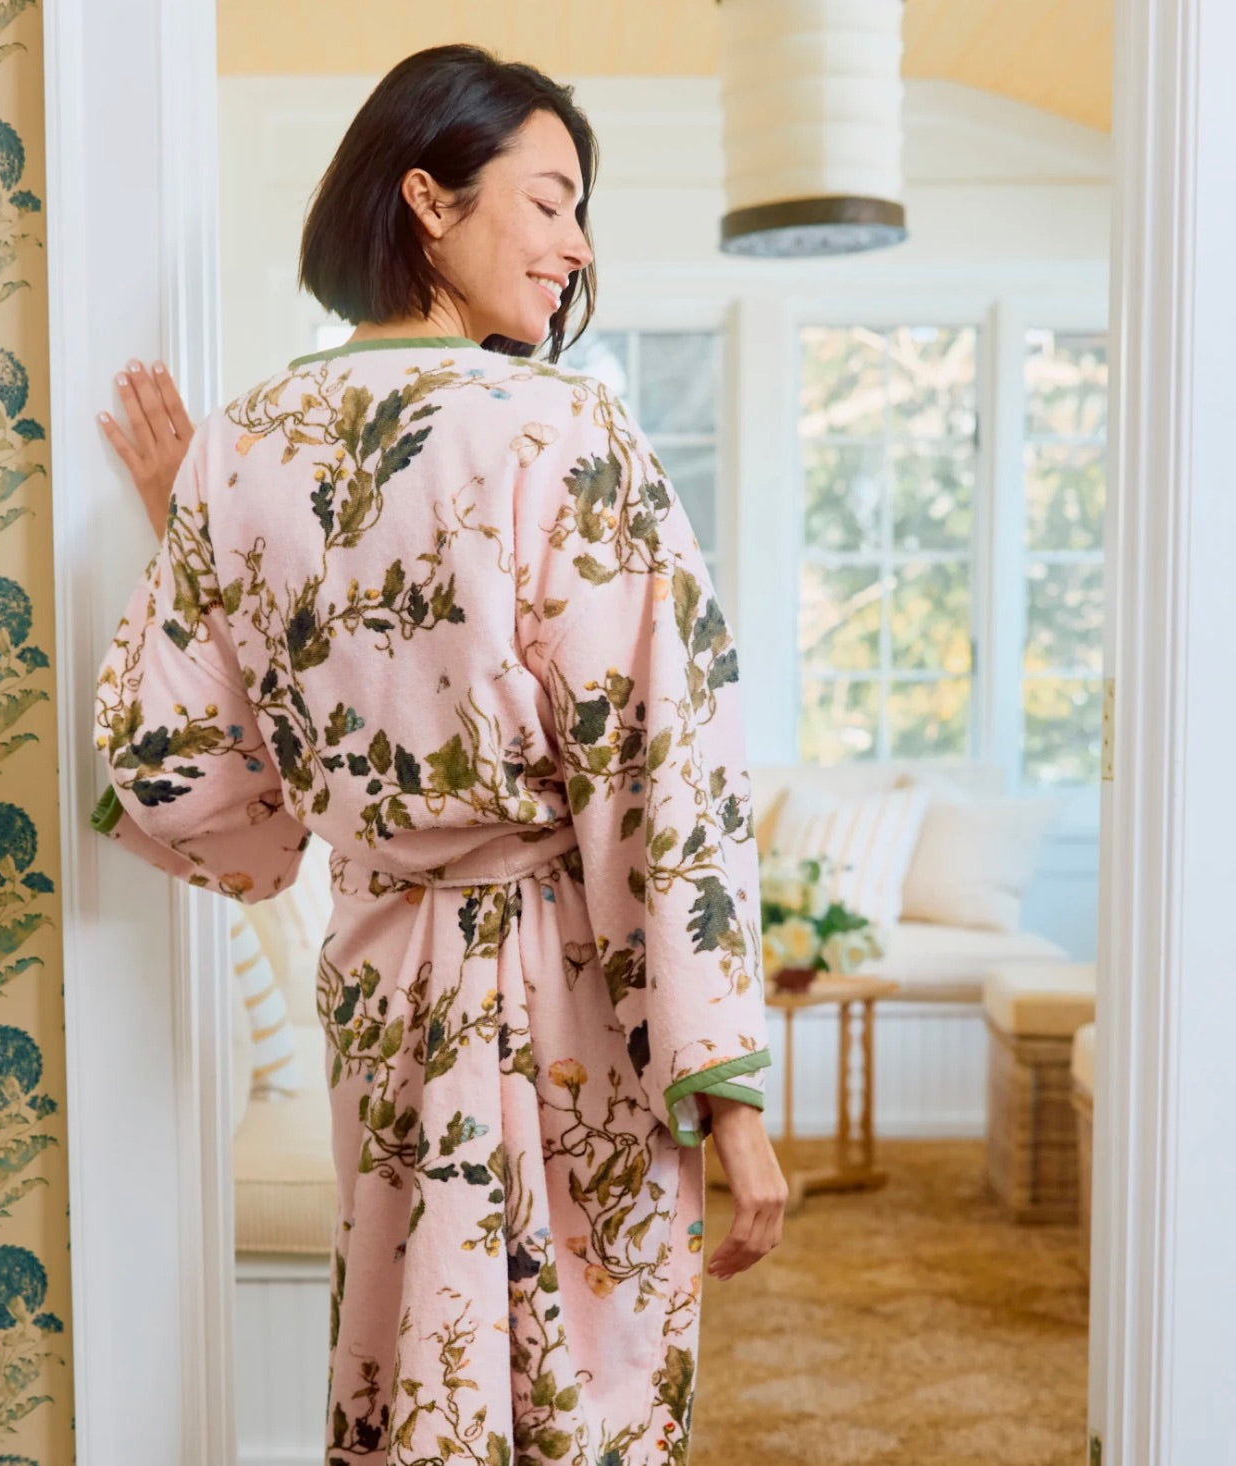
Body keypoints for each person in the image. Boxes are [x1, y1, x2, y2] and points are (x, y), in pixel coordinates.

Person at [92, 42, 787, 1466]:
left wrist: (193, 527)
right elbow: (666, 771)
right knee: (584, 1387)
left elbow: (185, 769)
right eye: (547, 201)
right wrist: (724, 1094)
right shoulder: (567, 432)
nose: (575, 244)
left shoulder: (238, 450)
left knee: (414, 1356)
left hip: (382, 975)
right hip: (576, 992)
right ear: (427, 197)